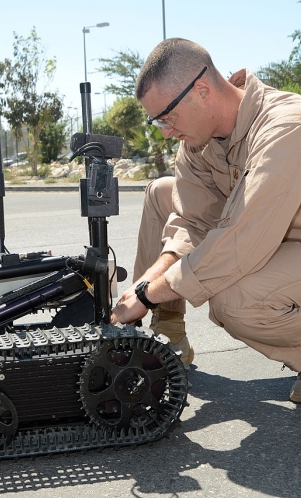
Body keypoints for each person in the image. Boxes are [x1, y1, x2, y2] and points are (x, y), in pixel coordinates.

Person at [110, 38, 301, 403]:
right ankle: (166, 332)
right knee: (162, 192)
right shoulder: (198, 140)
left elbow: (241, 244)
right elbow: (192, 222)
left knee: (234, 298)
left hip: (266, 237)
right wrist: (143, 286)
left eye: (167, 117)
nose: (165, 131)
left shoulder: (286, 127)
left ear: (201, 91)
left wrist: (149, 294)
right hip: (271, 235)